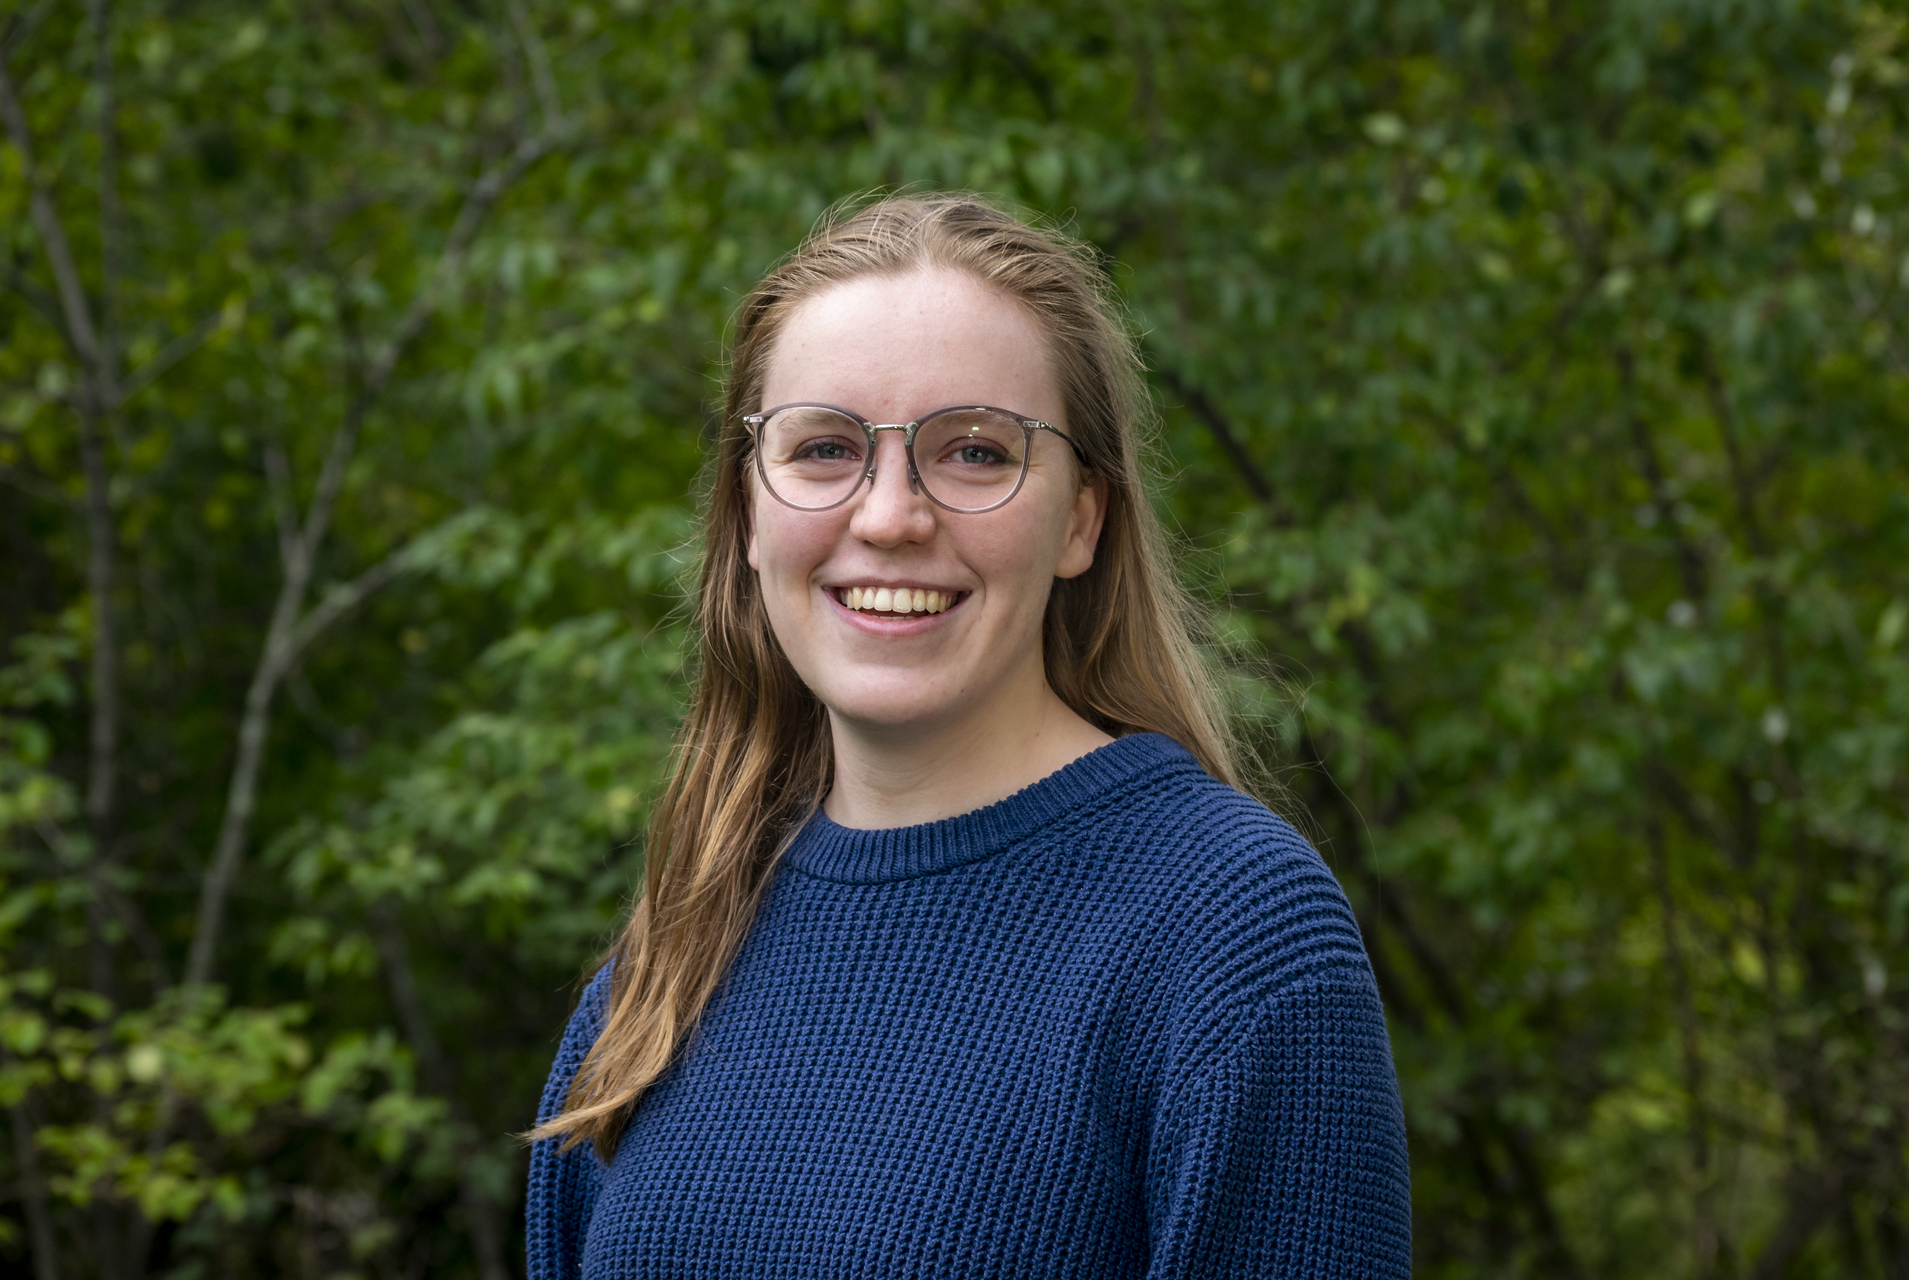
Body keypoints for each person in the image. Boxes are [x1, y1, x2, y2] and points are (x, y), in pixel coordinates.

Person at [525, 193, 1411, 1278]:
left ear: (1082, 517)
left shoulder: (1231, 937)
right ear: (748, 509)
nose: (890, 515)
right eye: (824, 448)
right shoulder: (672, 950)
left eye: (977, 453)